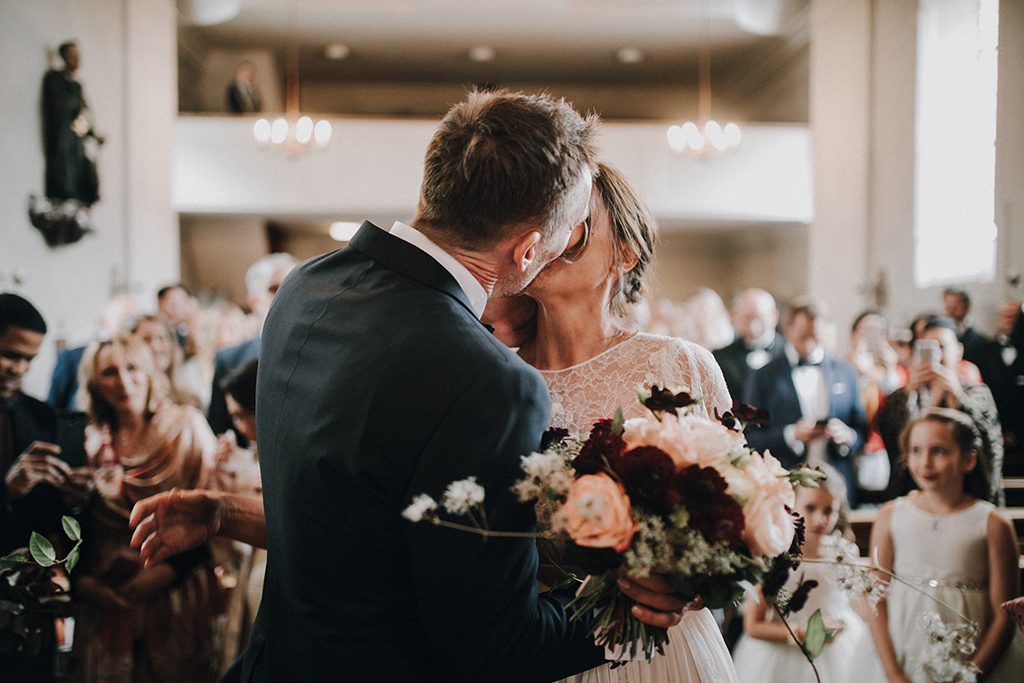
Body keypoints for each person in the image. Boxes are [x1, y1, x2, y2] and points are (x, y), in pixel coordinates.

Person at [131, 89, 688, 681]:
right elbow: (497, 651)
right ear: (528, 249)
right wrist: (631, 608)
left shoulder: (306, 287)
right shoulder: (490, 383)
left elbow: (361, 513)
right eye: (568, 230)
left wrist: (226, 513)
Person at [485, 161, 739, 682]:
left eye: (575, 223)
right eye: (546, 220)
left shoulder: (678, 364)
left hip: (656, 650)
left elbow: (734, 520)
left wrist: (684, 585)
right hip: (535, 647)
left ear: (626, 251)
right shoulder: (490, 375)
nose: (555, 236)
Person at [72, 334, 220, 683]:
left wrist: (165, 573)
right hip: (107, 595)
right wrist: (84, 584)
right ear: (95, 382)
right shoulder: (88, 441)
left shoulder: (186, 427)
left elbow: (215, 512)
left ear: (150, 371)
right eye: (109, 372)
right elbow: (73, 525)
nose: (123, 381)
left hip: (173, 585)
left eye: (133, 368)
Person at [867, 409, 1023, 682]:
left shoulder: (992, 523)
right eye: (916, 450)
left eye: (938, 451)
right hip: (903, 651)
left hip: (972, 658)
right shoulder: (891, 516)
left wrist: (967, 675)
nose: (924, 462)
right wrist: (892, 672)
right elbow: (875, 600)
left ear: (969, 459)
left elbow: (1003, 617)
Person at [0, 293, 89, 681]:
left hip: (29, 608)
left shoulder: (43, 417)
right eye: (9, 354)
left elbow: (57, 521)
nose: (18, 369)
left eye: (29, 359)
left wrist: (74, 503)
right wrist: (6, 490)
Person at [733, 464, 875, 683]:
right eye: (810, 508)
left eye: (829, 511)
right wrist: (806, 634)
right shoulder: (776, 555)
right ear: (791, 506)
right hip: (782, 653)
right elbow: (753, 626)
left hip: (838, 650)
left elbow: (851, 604)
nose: (821, 519)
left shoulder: (842, 553)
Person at [743, 298, 867, 507]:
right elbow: (749, 436)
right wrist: (791, 435)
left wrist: (848, 436)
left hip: (837, 483)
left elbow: (862, 431)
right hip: (784, 482)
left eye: (815, 336)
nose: (810, 343)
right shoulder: (764, 375)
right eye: (803, 336)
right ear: (788, 329)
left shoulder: (845, 371)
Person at [876, 315, 1004, 504]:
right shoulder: (903, 396)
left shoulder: (977, 392)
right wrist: (909, 393)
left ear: (959, 351)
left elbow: (988, 443)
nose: (936, 355)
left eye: (942, 347)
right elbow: (892, 440)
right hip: (914, 496)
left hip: (967, 496)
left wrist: (957, 398)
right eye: (927, 347)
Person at [206, 253, 296, 438]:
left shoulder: (323, 353)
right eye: (276, 288)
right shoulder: (229, 359)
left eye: (296, 287)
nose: (289, 295)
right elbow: (219, 428)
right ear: (254, 301)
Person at [42, 41, 102, 205]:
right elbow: (62, 111)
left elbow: (81, 115)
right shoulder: (54, 79)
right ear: (64, 57)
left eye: (78, 56)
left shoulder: (76, 86)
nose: (77, 59)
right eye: (72, 55)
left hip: (75, 141)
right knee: (64, 182)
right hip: (61, 140)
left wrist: (90, 133)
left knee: (84, 179)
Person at [713, 288, 785, 399]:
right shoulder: (721, 358)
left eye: (759, 318)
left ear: (774, 316)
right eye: (746, 319)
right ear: (735, 317)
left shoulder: (790, 352)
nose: (753, 327)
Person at [131, 314, 201, 407]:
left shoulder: (189, 400)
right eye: (146, 340)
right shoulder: (132, 403)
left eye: (162, 338)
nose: (156, 347)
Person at [943, 287, 989, 368]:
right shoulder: (941, 336)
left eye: (955, 305)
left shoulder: (979, 341)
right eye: (948, 306)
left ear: (966, 307)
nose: (951, 309)